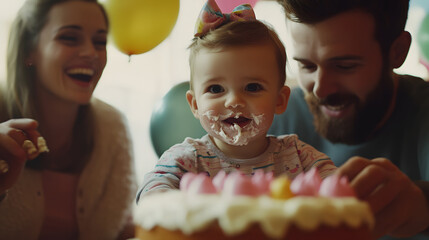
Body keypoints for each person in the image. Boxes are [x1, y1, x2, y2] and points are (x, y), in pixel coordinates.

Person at [137, 0, 337, 201]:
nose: (234, 101)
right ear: (195, 105)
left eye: (252, 87)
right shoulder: (187, 159)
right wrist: (168, 202)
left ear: (279, 100)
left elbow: (339, 186)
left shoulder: (299, 156)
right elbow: (151, 192)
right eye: (216, 89)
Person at [269, 0, 429, 239]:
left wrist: (423, 203)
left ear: (397, 51)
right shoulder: (273, 117)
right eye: (307, 66)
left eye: (344, 66)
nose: (320, 90)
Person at [0, 0, 137, 239]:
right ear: (28, 51)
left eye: (100, 42)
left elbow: (122, 229)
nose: (91, 53)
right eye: (70, 38)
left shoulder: (113, 127)